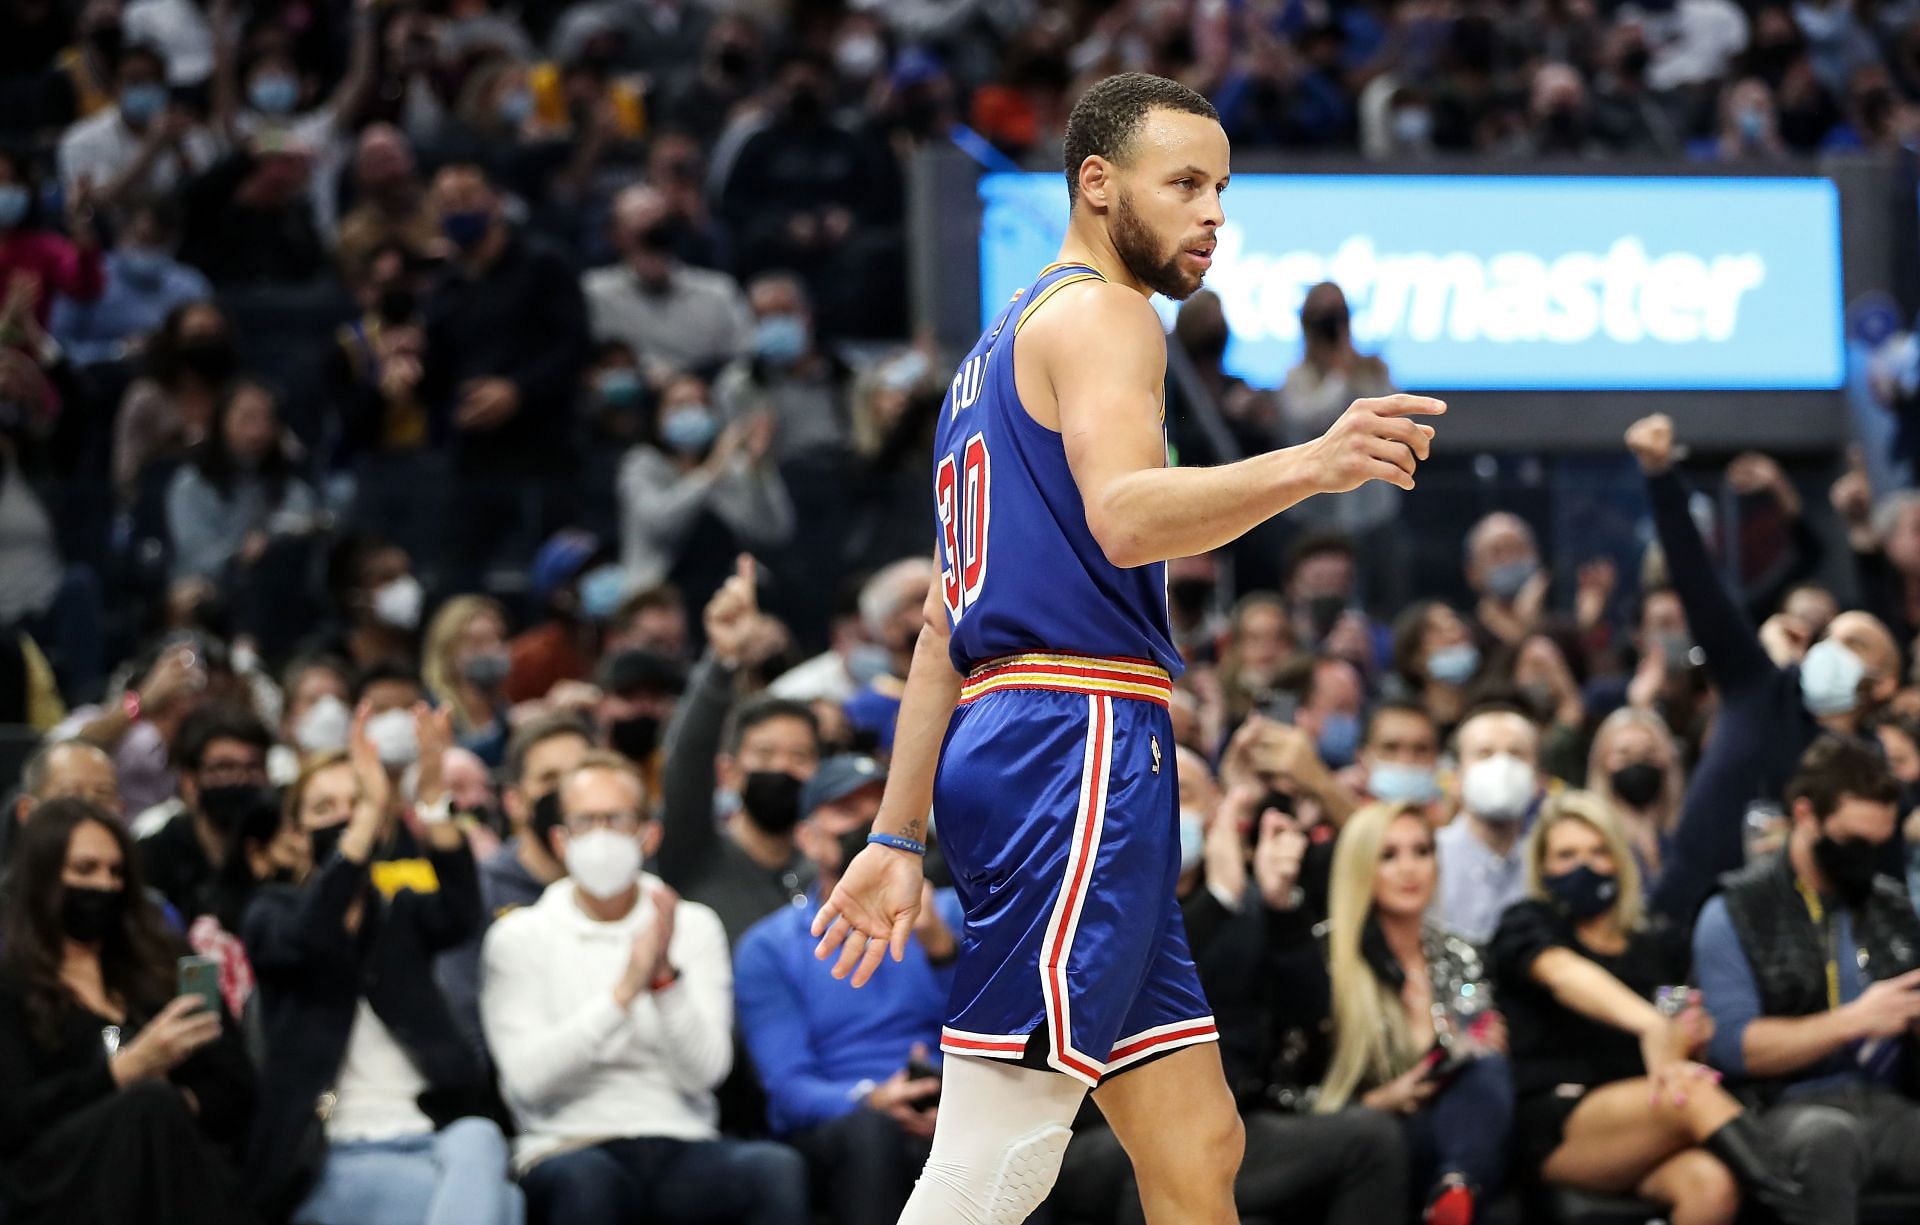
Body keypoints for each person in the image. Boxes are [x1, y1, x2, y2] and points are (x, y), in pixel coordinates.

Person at [814, 72, 1443, 1225]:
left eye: (1224, 188)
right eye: (1186, 184)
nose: (1214, 214)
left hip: (1028, 736)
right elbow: (1124, 514)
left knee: (1199, 1140)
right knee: (1001, 1146)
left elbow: (940, 632)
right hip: (1076, 740)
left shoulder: (996, 351)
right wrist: (1310, 463)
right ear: (1097, 186)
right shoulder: (1108, 317)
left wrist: (897, 834)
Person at [480, 752, 809, 1225]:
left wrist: (664, 981)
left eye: (616, 819)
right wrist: (624, 994)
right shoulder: (519, 936)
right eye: (585, 821)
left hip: (682, 1141)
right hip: (568, 1146)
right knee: (590, 1185)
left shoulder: (691, 925)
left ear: (647, 834)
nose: (600, 835)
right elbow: (527, 1084)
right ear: (559, 839)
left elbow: (707, 1073)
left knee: (774, 1170)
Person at [242, 707, 521, 1225]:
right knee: (505, 1204)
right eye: (327, 808)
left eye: (358, 803)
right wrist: (368, 815)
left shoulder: (399, 914)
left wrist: (434, 800)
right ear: (298, 834)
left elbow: (461, 913)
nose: (349, 818)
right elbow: (312, 934)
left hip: (430, 1131)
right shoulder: (270, 916)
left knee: (482, 1138)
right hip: (331, 1148)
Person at [1491, 791, 1814, 1225]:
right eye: (1566, 855)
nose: (1583, 866)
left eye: (1598, 851)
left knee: (1711, 1184)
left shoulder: (1656, 945)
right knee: (1692, 1092)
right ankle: (1803, 1212)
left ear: (1619, 861)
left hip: (1649, 1117)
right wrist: (1652, 1026)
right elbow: (1566, 976)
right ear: (1543, 867)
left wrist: (1689, 1036)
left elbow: (1678, 1028)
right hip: (1558, 1121)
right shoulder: (1528, 923)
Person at [1627, 414, 1903, 921]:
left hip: (1803, 952)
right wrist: (1660, 473)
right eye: (1832, 636)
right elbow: (1699, 586)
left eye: (1857, 644)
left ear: (1884, 684)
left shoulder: (1875, 770)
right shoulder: (1757, 686)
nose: (1834, 648)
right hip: (1681, 920)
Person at [1693, 737, 1920, 1224]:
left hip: (1885, 1101)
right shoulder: (1735, 910)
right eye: (1853, 842)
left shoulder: (1891, 906)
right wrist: (1854, 1021)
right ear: (1805, 815)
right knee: (1827, 1140)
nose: (1868, 859)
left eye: (1880, 846)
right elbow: (1735, 1047)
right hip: (1778, 1106)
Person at [0, 798, 255, 1224]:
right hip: (56, 1177)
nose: (104, 885)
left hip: (175, 1163)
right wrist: (121, 1074)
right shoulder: (10, 983)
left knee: (159, 1112)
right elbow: (13, 1118)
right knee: (148, 1104)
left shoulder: (165, 960)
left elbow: (238, 1085)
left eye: (116, 872)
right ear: (44, 877)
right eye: (85, 870)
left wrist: (180, 1105)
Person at [736, 753, 964, 1225]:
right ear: (808, 838)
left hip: (956, 1104)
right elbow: (788, 1086)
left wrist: (941, 951)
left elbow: (1003, 1041)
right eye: (846, 810)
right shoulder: (769, 947)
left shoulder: (955, 914)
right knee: (870, 1134)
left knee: (993, 1133)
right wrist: (872, 1097)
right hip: (846, 1118)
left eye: (879, 807)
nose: (867, 823)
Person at [1314, 802, 1512, 1224]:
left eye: (1421, 852)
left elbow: (1476, 1034)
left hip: (1452, 1126)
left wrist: (1484, 1042)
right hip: (1369, 1134)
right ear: (1360, 867)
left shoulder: (1460, 953)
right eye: (1389, 856)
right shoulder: (1323, 958)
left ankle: (1456, 1191)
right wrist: (1377, 1102)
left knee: (1488, 1070)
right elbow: (1284, 1090)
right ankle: (1457, 1193)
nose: (1410, 869)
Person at [657, 568, 823, 944]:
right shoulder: (694, 850)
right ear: (728, 772)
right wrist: (722, 660)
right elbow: (687, 761)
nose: (781, 767)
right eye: (764, 754)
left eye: (799, 756)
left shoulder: (831, 866)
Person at [616, 372, 794, 596]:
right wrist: (711, 471)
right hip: (662, 592)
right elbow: (661, 523)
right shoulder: (641, 464)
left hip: (727, 588)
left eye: (701, 403)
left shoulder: (731, 466)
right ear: (657, 417)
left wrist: (759, 469)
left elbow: (774, 532)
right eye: (680, 404)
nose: (693, 411)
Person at [583, 183, 753, 382]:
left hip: (706, 399)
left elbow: (745, 360)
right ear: (616, 236)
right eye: (641, 228)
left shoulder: (718, 292)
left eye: (659, 226)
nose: (652, 231)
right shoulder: (594, 293)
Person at [134, 704, 273, 923]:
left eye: (253, 766)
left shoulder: (282, 849)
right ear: (190, 782)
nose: (241, 779)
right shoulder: (153, 859)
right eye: (224, 768)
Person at [1434, 708, 1545, 944]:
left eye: (1517, 754)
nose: (1502, 765)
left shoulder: (1551, 861)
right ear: (1455, 777)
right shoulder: (1428, 856)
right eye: (1484, 753)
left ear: (1538, 780)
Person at [1584, 707, 1685, 887]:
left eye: (1649, 754)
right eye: (1624, 754)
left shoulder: (1686, 832)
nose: (1637, 763)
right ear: (1602, 762)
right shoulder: (1590, 837)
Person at [421, 595, 512, 766]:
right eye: (477, 641)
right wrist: (506, 732)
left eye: (498, 638)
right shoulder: (432, 709)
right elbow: (450, 762)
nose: (492, 649)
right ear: (447, 651)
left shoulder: (502, 705)